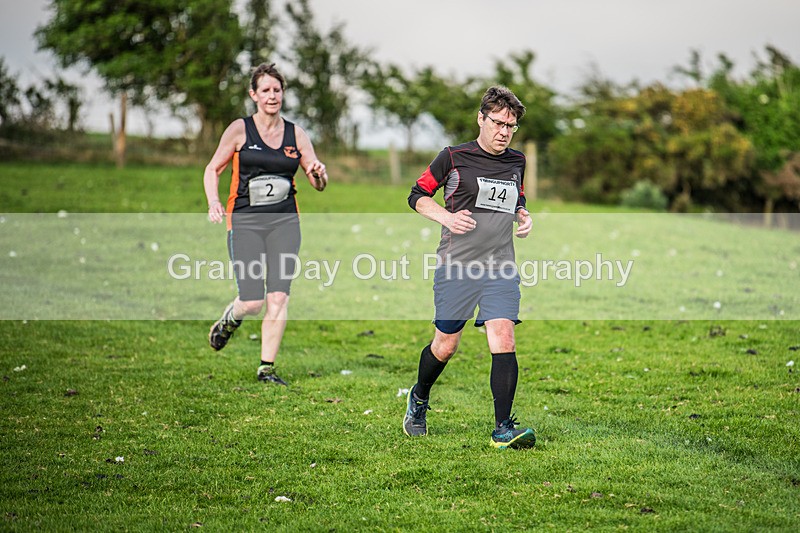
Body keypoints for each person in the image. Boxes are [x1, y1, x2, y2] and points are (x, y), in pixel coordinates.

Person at [402, 86, 535, 449]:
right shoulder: (453, 156)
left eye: (511, 125)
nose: (504, 131)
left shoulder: (516, 161)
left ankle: (502, 429)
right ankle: (419, 397)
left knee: (503, 336)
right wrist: (447, 217)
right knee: (446, 346)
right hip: (457, 265)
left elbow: (516, 196)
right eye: (498, 122)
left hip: (500, 265)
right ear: (481, 119)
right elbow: (417, 195)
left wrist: (523, 215)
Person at [203, 62, 328, 385]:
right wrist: (214, 201)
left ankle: (266, 368)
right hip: (244, 221)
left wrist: (318, 174)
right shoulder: (239, 130)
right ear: (254, 94)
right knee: (252, 301)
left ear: (282, 93)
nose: (272, 96)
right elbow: (213, 169)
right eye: (266, 90)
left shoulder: (296, 134)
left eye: (277, 90)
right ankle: (229, 320)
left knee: (278, 297)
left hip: (285, 223)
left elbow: (317, 183)